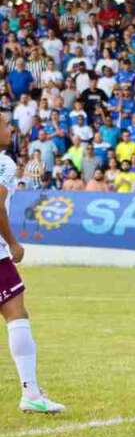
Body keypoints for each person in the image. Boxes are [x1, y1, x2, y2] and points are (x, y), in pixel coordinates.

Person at [0, 115, 65, 413]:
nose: (10, 129)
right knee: (16, 313)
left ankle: (32, 391)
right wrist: (13, 242)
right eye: (4, 124)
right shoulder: (5, 163)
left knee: (16, 310)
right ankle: (31, 392)